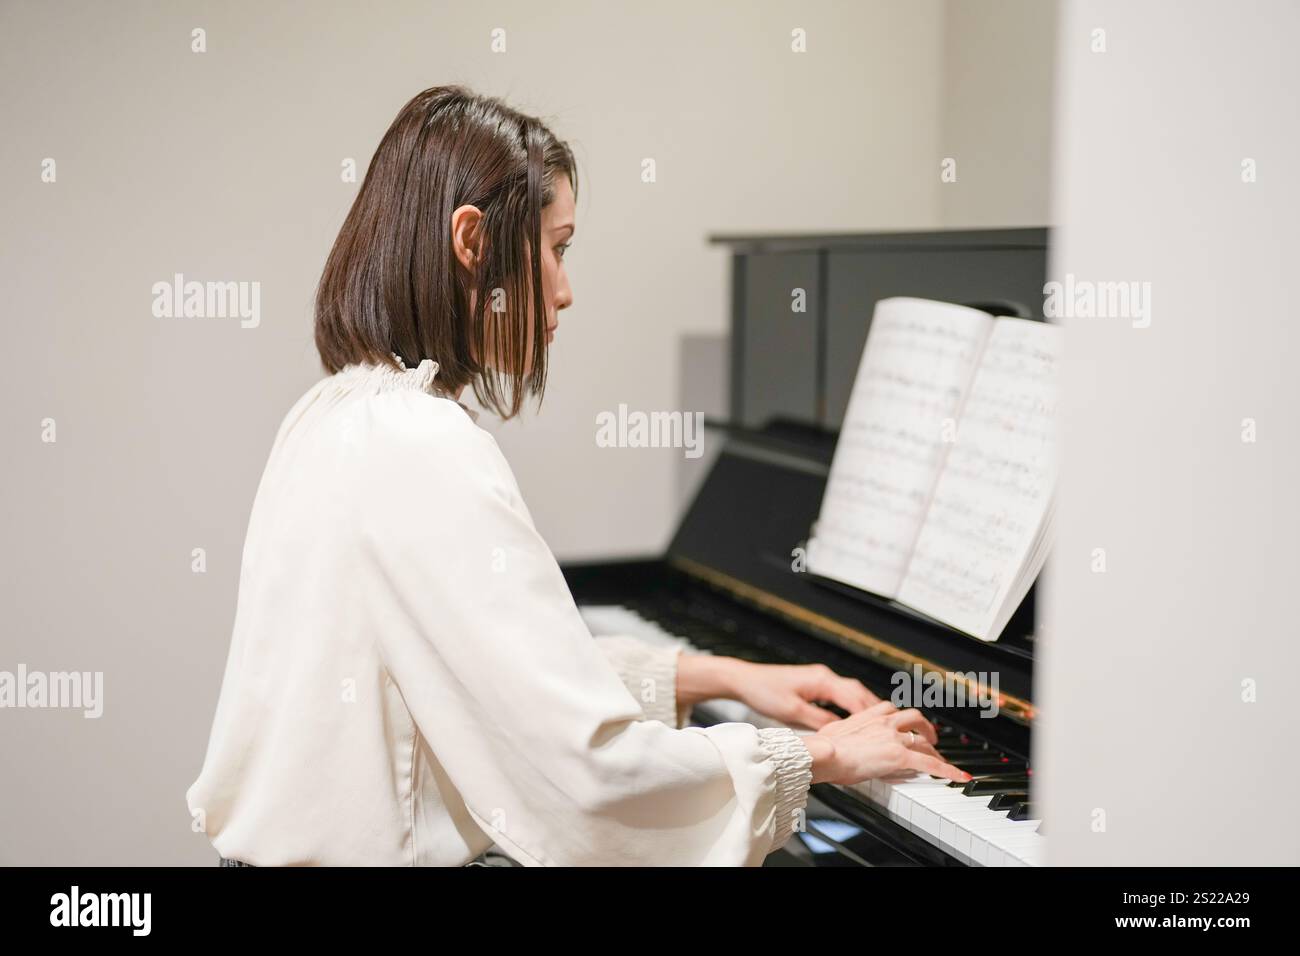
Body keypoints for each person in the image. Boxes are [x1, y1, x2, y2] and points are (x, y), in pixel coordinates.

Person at [185, 85, 968, 867]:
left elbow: (507, 682)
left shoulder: (339, 411)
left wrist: (720, 674)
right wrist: (817, 758)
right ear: (472, 241)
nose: (564, 290)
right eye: (557, 248)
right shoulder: (419, 447)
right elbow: (589, 775)